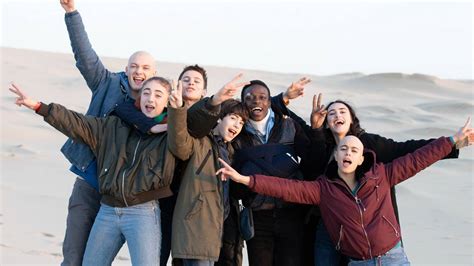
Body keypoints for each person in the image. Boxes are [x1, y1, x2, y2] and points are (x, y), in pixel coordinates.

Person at [216, 119, 473, 265]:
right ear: (336, 156)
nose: (348, 153)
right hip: (358, 261)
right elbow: (286, 188)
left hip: (394, 257)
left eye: (354, 150)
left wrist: (451, 142)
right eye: (343, 149)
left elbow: (418, 159)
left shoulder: (382, 175)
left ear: (361, 158)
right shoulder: (323, 190)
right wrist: (246, 179)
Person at [272, 91, 460, 265]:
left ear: (352, 118)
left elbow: (407, 150)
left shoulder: (369, 144)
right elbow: (309, 164)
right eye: (332, 113)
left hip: (365, 227)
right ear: (326, 121)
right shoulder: (320, 140)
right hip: (327, 224)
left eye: (342, 111)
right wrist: (285, 99)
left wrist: (451, 144)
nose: (337, 115)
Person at [10, 78, 177, 265]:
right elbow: (77, 123)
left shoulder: (170, 134)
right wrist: (40, 107)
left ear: (167, 101)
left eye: (158, 94)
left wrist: (178, 114)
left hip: (143, 212)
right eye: (146, 92)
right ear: (138, 98)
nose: (150, 98)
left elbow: (186, 139)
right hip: (108, 210)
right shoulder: (113, 125)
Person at [58, 1, 158, 265]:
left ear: (154, 74)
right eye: (134, 66)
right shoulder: (107, 83)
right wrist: (72, 14)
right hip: (91, 182)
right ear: (126, 69)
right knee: (74, 257)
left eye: (145, 68)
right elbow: (84, 56)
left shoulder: (160, 103)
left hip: (131, 198)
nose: (139, 72)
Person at [114, 66, 245, 266]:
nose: (191, 83)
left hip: (193, 204)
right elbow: (123, 108)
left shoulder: (210, 125)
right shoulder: (164, 112)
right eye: (186, 79)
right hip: (162, 199)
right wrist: (152, 125)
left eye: (196, 81)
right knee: (155, 257)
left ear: (203, 93)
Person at [166, 75, 249, 266]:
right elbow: (179, 141)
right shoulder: (201, 140)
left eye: (241, 123)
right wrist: (215, 100)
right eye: (233, 118)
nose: (237, 125)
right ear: (219, 118)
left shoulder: (231, 151)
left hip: (215, 232)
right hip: (195, 227)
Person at [230, 79, 310, 266]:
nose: (256, 102)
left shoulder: (288, 125)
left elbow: (310, 160)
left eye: (262, 97)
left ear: (269, 102)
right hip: (257, 216)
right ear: (243, 104)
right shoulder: (237, 133)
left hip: (290, 212)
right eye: (249, 98)